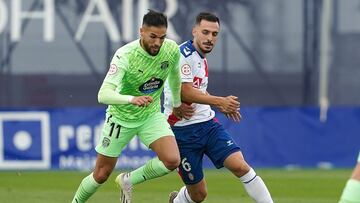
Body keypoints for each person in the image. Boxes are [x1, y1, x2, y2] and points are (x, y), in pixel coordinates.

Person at [71, 10, 194, 203]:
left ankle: (128, 180)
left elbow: (175, 77)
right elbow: (103, 94)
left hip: (150, 116)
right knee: (101, 174)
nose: (157, 43)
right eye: (153, 36)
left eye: (162, 37)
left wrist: (177, 103)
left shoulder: (170, 50)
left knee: (172, 161)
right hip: (121, 118)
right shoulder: (125, 55)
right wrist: (131, 99)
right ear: (141, 32)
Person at [163, 12, 274, 203]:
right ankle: (177, 201)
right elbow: (185, 92)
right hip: (182, 133)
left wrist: (220, 104)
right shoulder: (183, 55)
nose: (210, 38)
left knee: (240, 166)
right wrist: (219, 101)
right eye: (205, 32)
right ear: (194, 31)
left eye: (214, 34)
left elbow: (198, 91)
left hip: (208, 125)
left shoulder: (201, 58)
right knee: (198, 195)